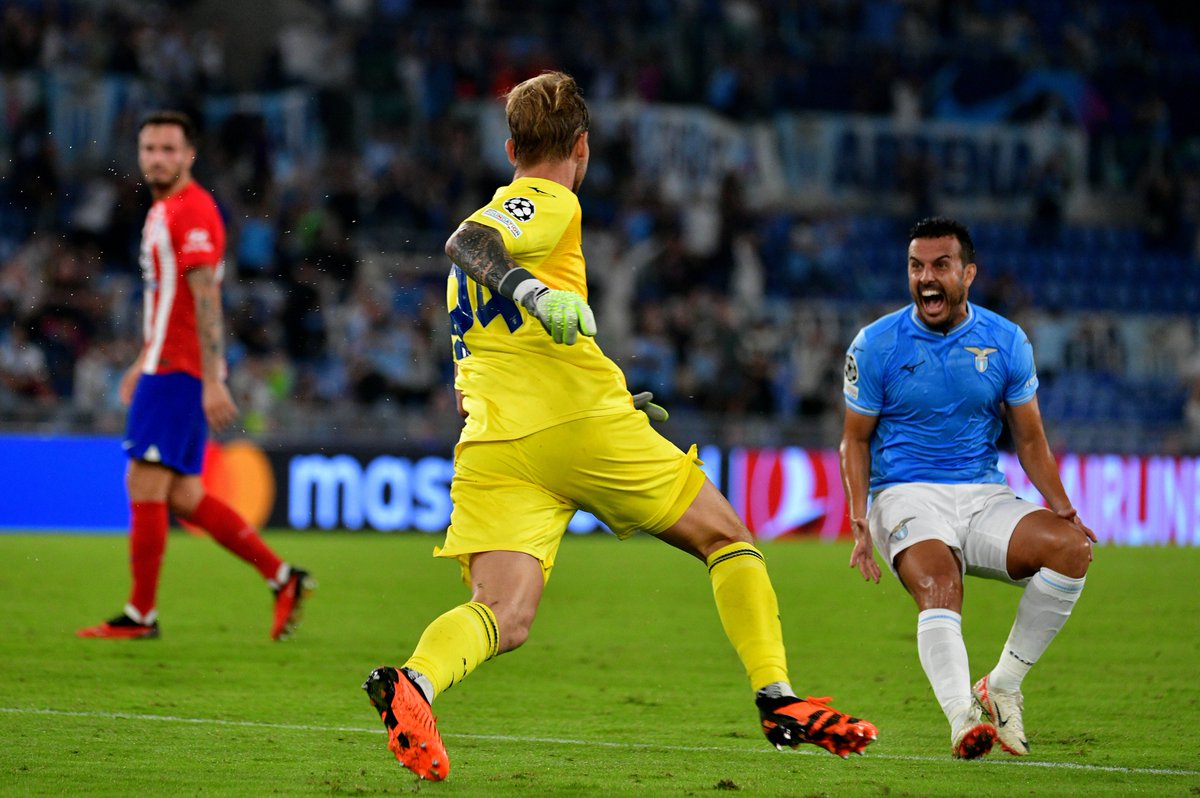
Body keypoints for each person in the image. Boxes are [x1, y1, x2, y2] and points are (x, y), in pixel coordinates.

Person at [362, 71, 877, 782]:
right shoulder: (544, 202)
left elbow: (508, 345)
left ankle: (415, 683)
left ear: (510, 143)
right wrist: (535, 292)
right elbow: (468, 242)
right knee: (727, 538)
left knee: (501, 614)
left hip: (496, 443)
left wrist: (600, 377)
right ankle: (777, 697)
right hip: (582, 430)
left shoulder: (501, 234)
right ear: (583, 146)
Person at [839, 217, 1095, 759]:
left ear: (968, 273)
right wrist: (860, 519)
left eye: (940, 265)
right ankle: (963, 718)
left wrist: (1064, 508)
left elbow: (1030, 440)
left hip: (981, 495)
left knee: (1073, 551)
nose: (926, 278)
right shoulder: (876, 344)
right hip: (903, 494)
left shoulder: (1005, 340)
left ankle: (1000, 685)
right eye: (916, 266)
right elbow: (854, 442)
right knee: (940, 583)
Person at [77, 111, 313, 641]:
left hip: (182, 369)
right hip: (165, 363)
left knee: (144, 479)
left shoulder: (193, 210)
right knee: (182, 495)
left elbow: (206, 297)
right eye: (149, 149)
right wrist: (142, 359)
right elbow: (168, 301)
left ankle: (141, 614)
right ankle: (282, 577)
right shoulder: (163, 210)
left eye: (168, 149)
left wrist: (211, 378)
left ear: (189, 156)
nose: (157, 158)